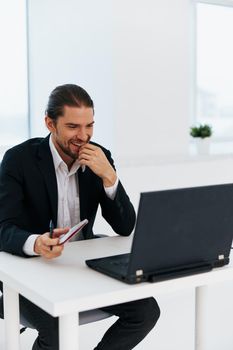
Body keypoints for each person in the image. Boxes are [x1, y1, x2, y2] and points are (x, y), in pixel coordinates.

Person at [0, 84, 160, 350]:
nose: (83, 136)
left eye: (90, 126)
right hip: (32, 271)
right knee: (56, 327)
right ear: (50, 123)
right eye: (73, 127)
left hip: (81, 269)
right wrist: (36, 242)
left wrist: (109, 177)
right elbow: (3, 228)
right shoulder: (19, 160)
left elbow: (125, 226)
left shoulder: (99, 157)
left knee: (145, 312)